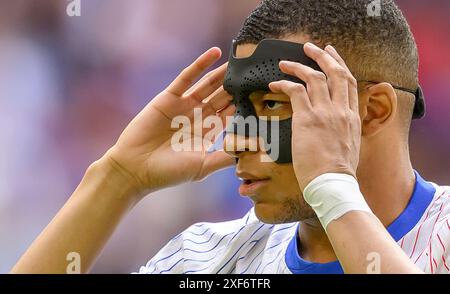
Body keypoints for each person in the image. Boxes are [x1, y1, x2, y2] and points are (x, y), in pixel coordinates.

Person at [12, 0, 450, 274]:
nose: (237, 139)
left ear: (372, 111)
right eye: (240, 109)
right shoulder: (207, 259)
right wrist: (115, 177)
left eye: (273, 104)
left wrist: (333, 190)